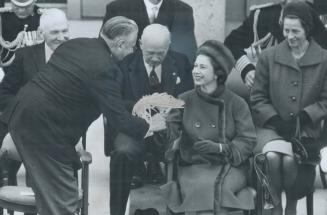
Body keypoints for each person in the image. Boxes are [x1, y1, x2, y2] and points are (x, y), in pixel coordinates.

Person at [0, 16, 166, 215]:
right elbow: (118, 118)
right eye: (131, 46)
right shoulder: (107, 69)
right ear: (120, 43)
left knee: (51, 197)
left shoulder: (76, 44)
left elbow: (65, 88)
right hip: (45, 132)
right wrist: (149, 126)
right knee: (63, 203)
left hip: (21, 116)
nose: (132, 51)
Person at [161, 40, 256, 215]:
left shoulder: (237, 103)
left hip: (230, 167)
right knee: (201, 188)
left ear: (218, 73)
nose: (196, 71)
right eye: (195, 66)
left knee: (219, 190)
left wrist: (221, 148)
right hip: (193, 166)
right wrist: (163, 125)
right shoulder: (183, 100)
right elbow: (170, 135)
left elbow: (247, 139)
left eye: (203, 67)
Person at [107, 23, 193, 215]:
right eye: (150, 53)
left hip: (170, 128)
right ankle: (116, 211)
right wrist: (145, 117)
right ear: (140, 45)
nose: (154, 58)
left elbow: (188, 99)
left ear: (169, 46)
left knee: (185, 151)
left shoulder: (181, 63)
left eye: (160, 53)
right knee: (121, 152)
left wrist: (170, 116)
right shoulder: (123, 65)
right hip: (136, 129)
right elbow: (117, 103)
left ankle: (178, 210)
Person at [250, 2, 327, 215]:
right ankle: (276, 205)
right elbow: (257, 97)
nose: (290, 36)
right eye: (286, 30)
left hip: (305, 129)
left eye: (296, 31)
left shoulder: (323, 59)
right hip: (270, 128)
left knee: (289, 158)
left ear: (308, 29)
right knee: (273, 157)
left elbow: (326, 99)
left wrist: (304, 116)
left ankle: (291, 203)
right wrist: (274, 120)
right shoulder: (268, 57)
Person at [0, 9, 69, 215]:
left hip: (59, 128)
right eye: (54, 32)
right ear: (41, 33)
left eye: (64, 31)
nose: (61, 37)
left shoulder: (78, 56)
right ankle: (7, 201)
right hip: (22, 123)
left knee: (40, 168)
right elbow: (4, 93)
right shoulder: (24, 56)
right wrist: (23, 113)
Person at [224, 0, 327, 89]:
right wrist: (247, 70)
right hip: (268, 90)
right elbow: (231, 44)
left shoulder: (318, 17)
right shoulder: (263, 16)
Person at [102, 0, 197, 63]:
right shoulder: (117, 8)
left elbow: (185, 56)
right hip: (126, 80)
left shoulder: (183, 10)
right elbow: (105, 49)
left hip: (167, 80)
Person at [0, 0, 42, 71]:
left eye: (27, 7)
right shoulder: (2, 17)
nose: (21, 10)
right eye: (17, 6)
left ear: (34, 1)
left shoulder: (44, 18)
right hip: (7, 73)